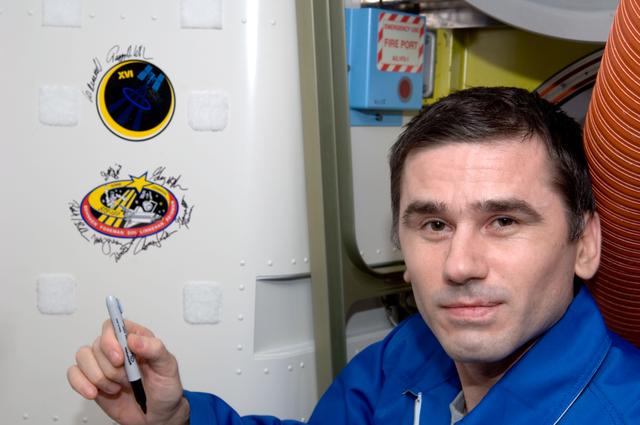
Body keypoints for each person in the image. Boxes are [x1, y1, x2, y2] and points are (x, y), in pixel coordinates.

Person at [67, 87, 640, 424]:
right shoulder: (407, 355)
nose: (460, 265)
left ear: (585, 243)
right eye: (434, 224)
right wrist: (179, 420)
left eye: (504, 221)